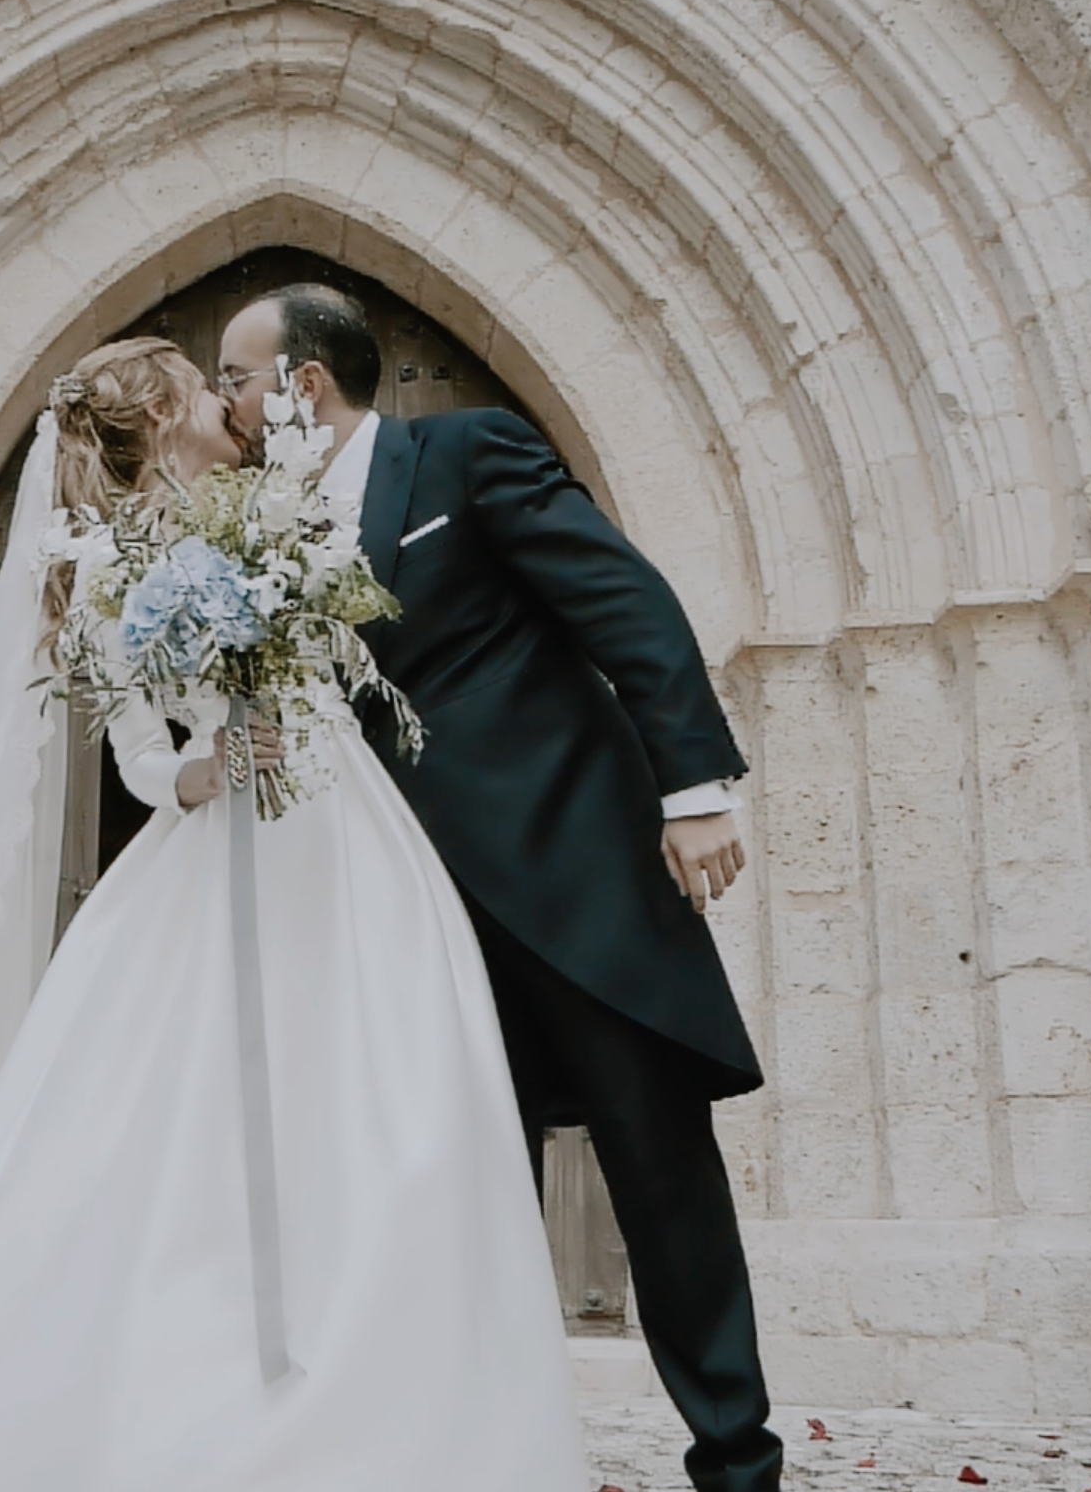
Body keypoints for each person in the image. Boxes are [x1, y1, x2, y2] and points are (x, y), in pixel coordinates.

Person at [0, 336, 593, 1491]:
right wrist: (203, 769)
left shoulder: (275, 509)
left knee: (389, 1080)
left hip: (349, 836)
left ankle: (405, 1389)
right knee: (183, 1111)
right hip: (224, 849)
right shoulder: (105, 563)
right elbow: (140, 755)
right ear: (159, 414)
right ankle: (189, 1388)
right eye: (206, 386)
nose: (227, 396)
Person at [215, 286, 786, 1492]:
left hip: (569, 877)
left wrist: (694, 788)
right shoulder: (261, 535)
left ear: (303, 383)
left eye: (235, 374)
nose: (224, 397)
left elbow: (620, 598)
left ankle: (735, 1457)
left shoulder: (466, 454)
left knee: (656, 1162)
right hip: (407, 914)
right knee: (452, 1184)